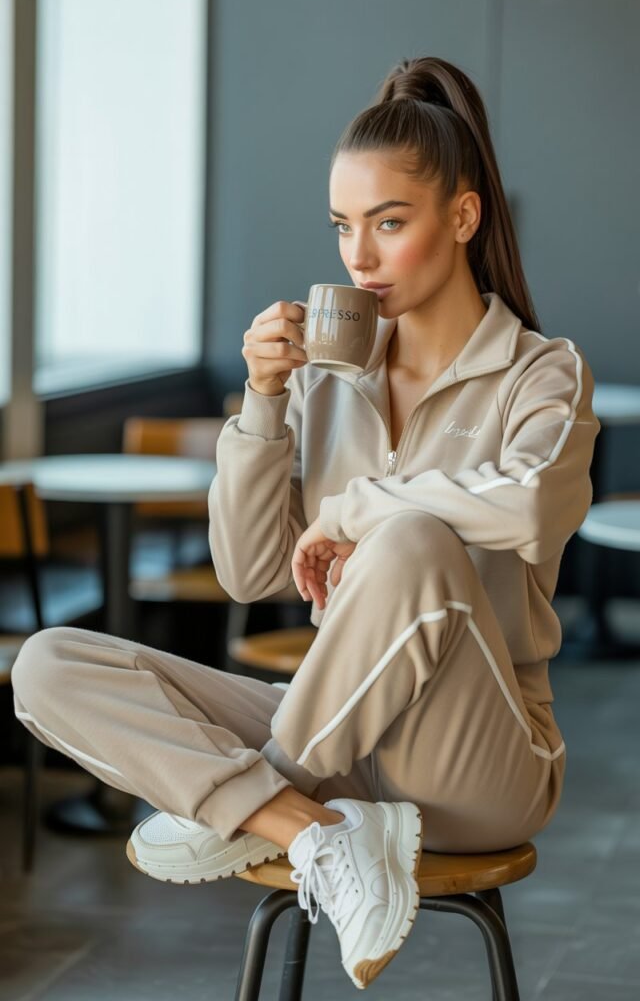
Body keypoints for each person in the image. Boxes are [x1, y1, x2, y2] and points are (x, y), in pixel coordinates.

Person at [11, 55, 600, 990]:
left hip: (478, 761)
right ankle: (312, 829)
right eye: (342, 227)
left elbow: (530, 506)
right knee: (45, 663)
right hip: (340, 744)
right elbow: (249, 576)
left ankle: (241, 802)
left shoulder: (543, 373)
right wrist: (261, 402)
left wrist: (364, 506)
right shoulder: (328, 383)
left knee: (413, 539)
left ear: (462, 216)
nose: (357, 257)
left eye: (389, 223)